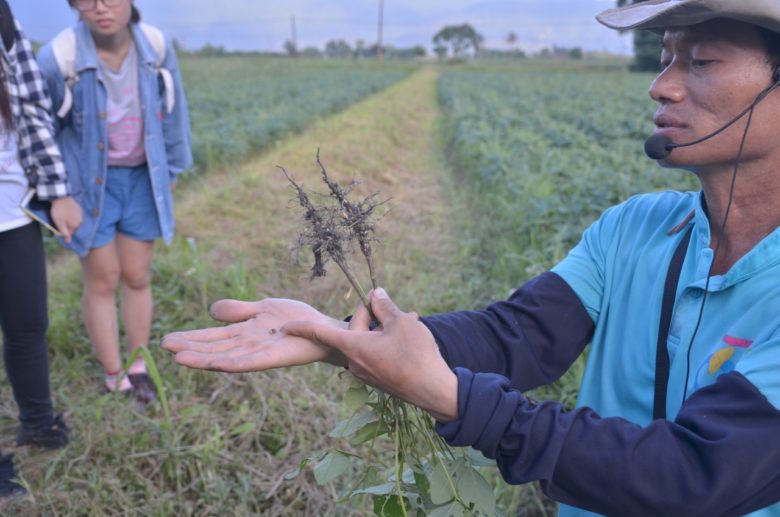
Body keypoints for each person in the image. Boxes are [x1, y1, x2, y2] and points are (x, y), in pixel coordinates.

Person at [162, 1, 780, 515]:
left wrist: (458, 400)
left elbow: (693, 476)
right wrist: (337, 339)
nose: (662, 84)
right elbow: (520, 336)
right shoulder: (637, 227)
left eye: (700, 61)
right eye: (667, 57)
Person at [37, 0, 192, 402]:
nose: (100, 8)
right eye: (86, 0)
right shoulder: (58, 58)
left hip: (143, 177)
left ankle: (138, 365)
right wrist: (57, 196)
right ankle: (113, 373)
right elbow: (42, 132)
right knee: (103, 276)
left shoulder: (155, 47)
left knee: (138, 274)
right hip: (87, 186)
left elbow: (174, 113)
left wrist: (171, 171)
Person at [0, 0, 82, 496]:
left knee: (28, 324)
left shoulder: (4, 19)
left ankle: (38, 422)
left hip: (13, 210)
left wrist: (58, 192)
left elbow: (31, 111)